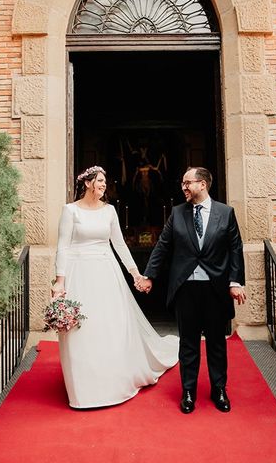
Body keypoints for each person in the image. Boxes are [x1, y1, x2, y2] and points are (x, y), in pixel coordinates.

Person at [52, 165, 179, 408]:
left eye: (104, 181)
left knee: (109, 325)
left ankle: (111, 381)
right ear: (88, 183)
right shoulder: (70, 211)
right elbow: (63, 246)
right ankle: (83, 387)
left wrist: (135, 275)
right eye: (100, 181)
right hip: (79, 273)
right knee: (81, 328)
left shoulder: (109, 211)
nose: (103, 185)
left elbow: (119, 245)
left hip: (106, 273)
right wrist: (60, 280)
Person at [136, 167, 246, 414]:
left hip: (215, 288)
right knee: (188, 343)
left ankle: (219, 389)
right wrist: (149, 276)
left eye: (188, 183)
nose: (183, 187)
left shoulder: (225, 213)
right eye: (183, 183)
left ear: (203, 184)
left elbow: (235, 249)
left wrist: (235, 282)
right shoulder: (177, 213)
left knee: (217, 342)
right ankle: (188, 391)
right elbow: (163, 246)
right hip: (185, 288)